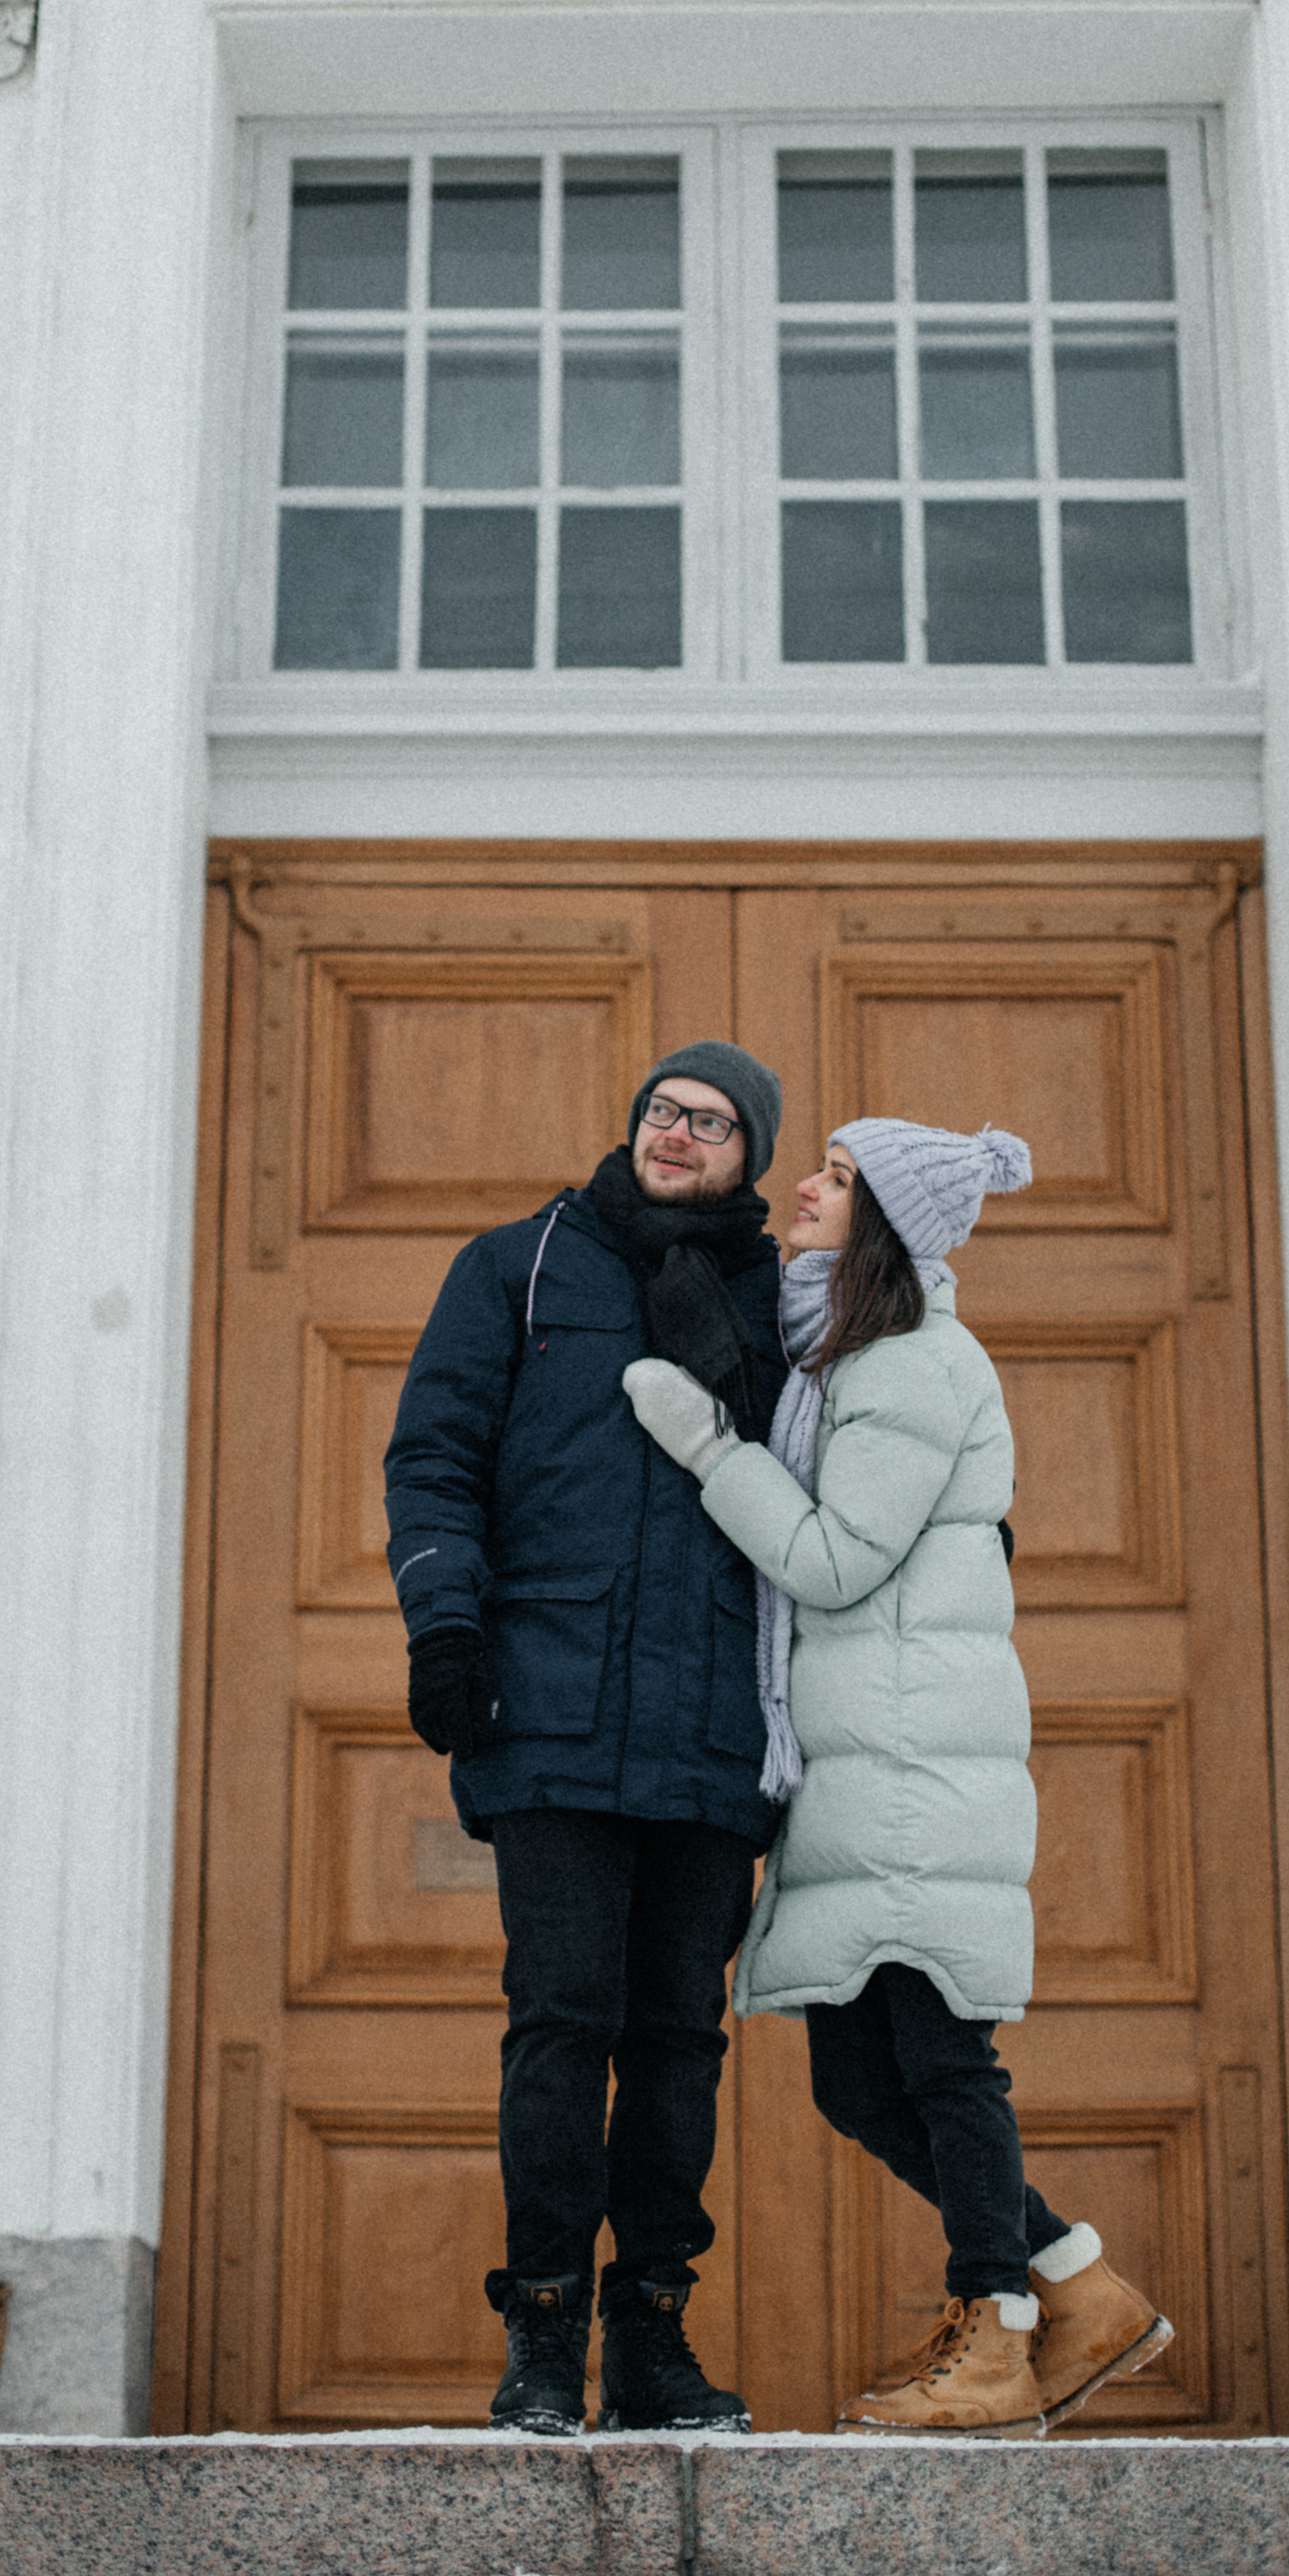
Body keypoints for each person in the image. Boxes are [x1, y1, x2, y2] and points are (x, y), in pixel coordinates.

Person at [624, 1115, 1172, 2437]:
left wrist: (708, 1449)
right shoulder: (849, 1356)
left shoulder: (911, 1362)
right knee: (858, 2079)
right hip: (871, 1751)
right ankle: (1076, 2288)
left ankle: (995, 2333)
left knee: (937, 2053)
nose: (803, 1190)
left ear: (884, 1223)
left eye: (836, 1179)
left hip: (917, 1754)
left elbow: (831, 1562)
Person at [383, 1041, 789, 2437]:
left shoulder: (784, 1297)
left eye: (714, 1124)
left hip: (716, 1718)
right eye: (665, 1110)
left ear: (750, 1157)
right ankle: (545, 2331)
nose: (679, 1134)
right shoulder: (519, 1266)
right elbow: (435, 1456)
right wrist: (445, 1630)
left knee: (678, 2037)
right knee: (561, 2020)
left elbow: (856, 1463)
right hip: (548, 1704)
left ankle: (654, 2334)